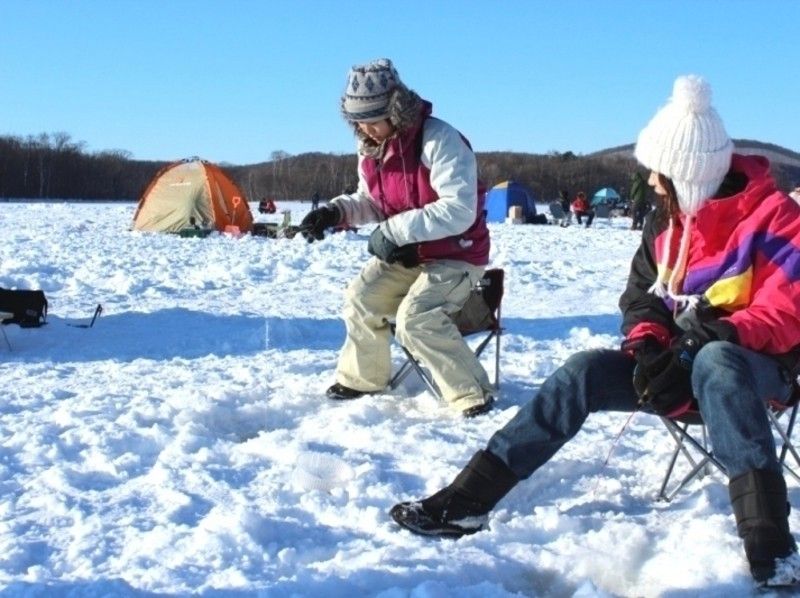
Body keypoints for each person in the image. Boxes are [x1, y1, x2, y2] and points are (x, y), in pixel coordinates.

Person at [390, 75, 800, 587]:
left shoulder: (777, 219)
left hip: (759, 374)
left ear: (689, 177)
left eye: (659, 175)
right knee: (583, 370)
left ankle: (773, 550)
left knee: (718, 361)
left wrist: (703, 341)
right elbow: (640, 297)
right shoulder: (664, 223)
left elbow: (787, 313)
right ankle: (467, 501)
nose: (652, 185)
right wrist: (648, 346)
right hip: (675, 371)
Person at [299, 58, 494, 418]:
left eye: (373, 120)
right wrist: (336, 212)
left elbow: (459, 209)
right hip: (409, 254)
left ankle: (472, 392)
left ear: (395, 110)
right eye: (358, 121)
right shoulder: (371, 146)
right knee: (361, 298)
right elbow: (373, 201)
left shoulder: (440, 139)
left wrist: (394, 231)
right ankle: (363, 379)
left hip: (457, 255)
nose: (365, 129)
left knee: (417, 319)